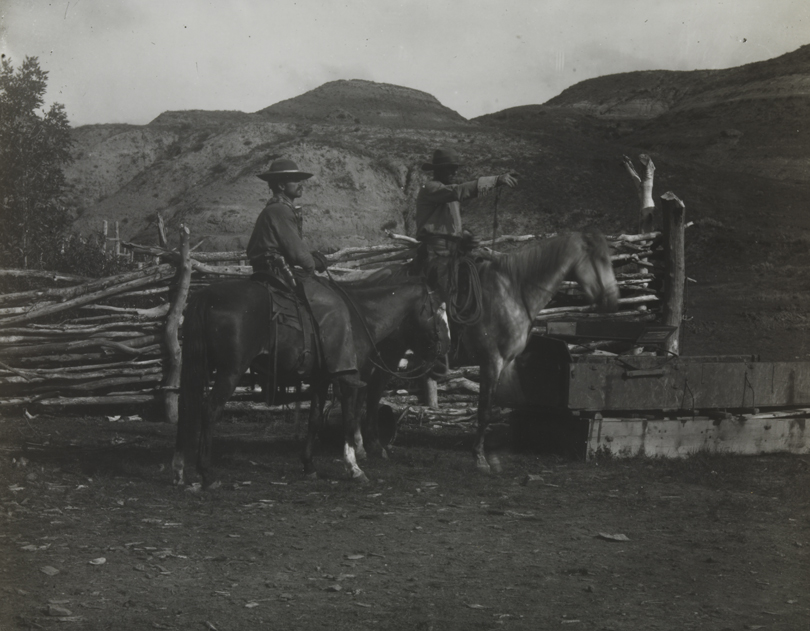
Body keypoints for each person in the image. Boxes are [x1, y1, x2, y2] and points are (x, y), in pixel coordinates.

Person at [247, 157, 365, 388]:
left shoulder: (277, 209)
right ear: (281, 185)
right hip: (278, 272)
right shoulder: (281, 210)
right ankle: (343, 371)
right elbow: (300, 257)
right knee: (334, 304)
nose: (301, 185)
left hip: (269, 269)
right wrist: (314, 263)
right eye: (295, 180)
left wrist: (308, 257)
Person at [415, 147, 518, 289]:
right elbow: (459, 191)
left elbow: (448, 225)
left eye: (455, 168)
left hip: (453, 249)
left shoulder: (447, 193)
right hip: (437, 251)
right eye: (450, 168)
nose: (454, 172)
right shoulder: (431, 188)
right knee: (446, 291)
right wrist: (496, 181)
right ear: (438, 170)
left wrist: (465, 235)